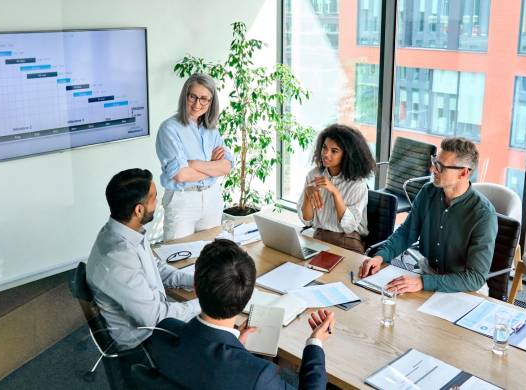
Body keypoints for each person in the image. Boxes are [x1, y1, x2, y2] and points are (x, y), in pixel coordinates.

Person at [148, 239, 334, 389]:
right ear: (247, 296)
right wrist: (315, 343)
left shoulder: (163, 331)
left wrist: (237, 346)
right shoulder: (258, 376)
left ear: (195, 287)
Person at [359, 137, 498, 294]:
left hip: (463, 287)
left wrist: (423, 282)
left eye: (440, 166)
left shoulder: (484, 215)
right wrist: (380, 257)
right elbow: (406, 233)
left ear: (464, 173)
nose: (433, 170)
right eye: (434, 162)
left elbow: (475, 278)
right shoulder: (428, 192)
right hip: (426, 273)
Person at [86, 169, 200, 350]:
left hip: (155, 320)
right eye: (154, 198)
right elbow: (156, 318)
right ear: (139, 210)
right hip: (144, 343)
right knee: (218, 336)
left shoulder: (124, 231)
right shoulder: (117, 258)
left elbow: (155, 268)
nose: (159, 201)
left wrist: (194, 280)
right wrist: (207, 302)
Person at [156, 73, 233, 241]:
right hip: (182, 199)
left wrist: (193, 164)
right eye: (193, 97)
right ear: (185, 96)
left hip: (212, 197)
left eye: (204, 98)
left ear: (211, 102)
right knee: (179, 257)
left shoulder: (212, 129)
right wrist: (213, 166)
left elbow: (226, 166)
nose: (198, 104)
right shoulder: (169, 129)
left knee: (212, 257)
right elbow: (181, 174)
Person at [297, 124, 376, 253]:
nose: (326, 154)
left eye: (334, 151)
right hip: (320, 237)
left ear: (347, 155)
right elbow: (307, 221)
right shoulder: (314, 175)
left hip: (348, 241)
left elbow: (349, 227)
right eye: (324, 148)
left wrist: (335, 192)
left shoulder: (357, 184)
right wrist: (307, 195)